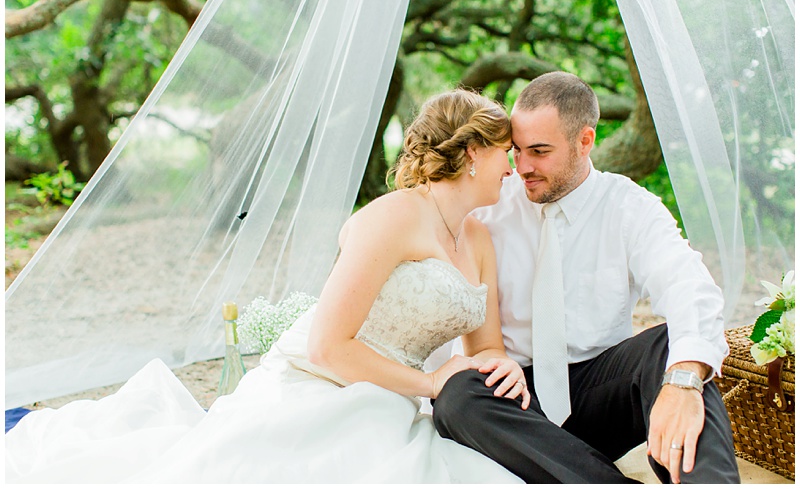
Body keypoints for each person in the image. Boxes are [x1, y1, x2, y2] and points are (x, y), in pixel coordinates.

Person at [6, 89, 532, 483]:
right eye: (506, 152)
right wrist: (433, 385)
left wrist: (500, 363)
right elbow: (329, 347)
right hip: (324, 382)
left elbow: (483, 347)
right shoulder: (391, 219)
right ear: (471, 155)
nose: (513, 168)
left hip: (396, 396)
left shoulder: (480, 236)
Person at [431, 71, 740, 484]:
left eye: (539, 151)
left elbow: (688, 285)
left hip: (600, 388)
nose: (522, 167)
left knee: (675, 350)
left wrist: (683, 381)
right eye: (516, 150)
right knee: (456, 397)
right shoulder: (489, 204)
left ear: (585, 141)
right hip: (515, 398)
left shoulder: (630, 206)